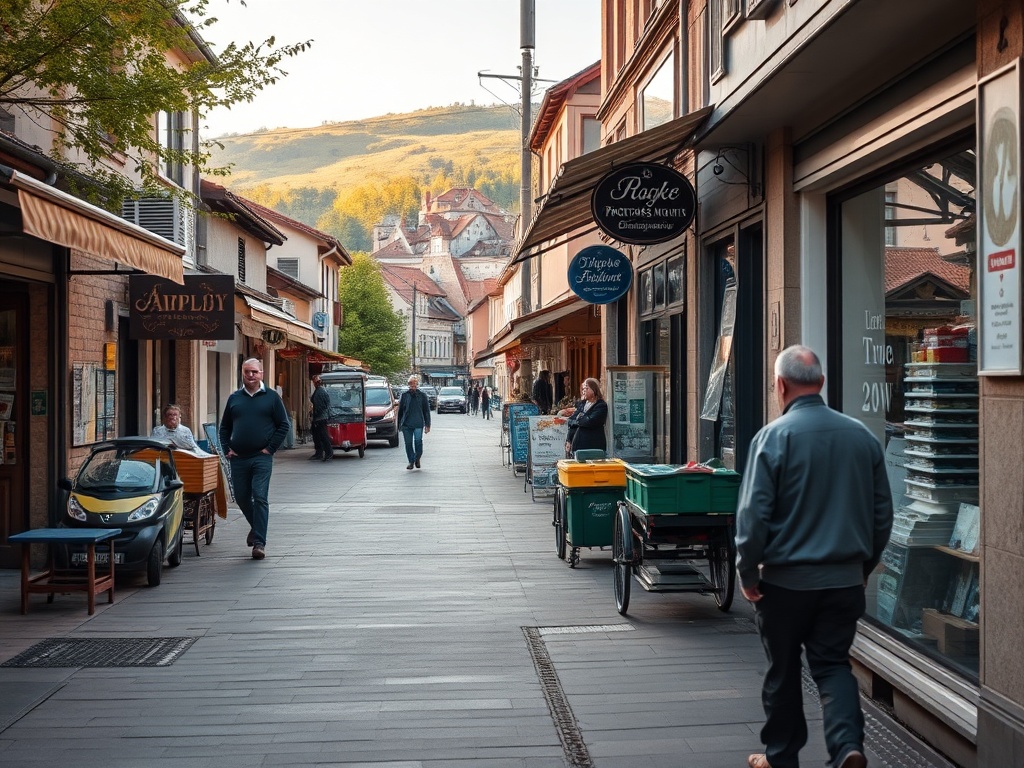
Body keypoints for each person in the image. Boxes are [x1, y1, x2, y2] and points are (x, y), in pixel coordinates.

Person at [735, 345, 893, 768]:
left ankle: (781, 757)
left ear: (779, 385)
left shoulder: (772, 438)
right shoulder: (862, 436)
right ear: (821, 383)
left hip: (786, 584)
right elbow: (882, 516)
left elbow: (753, 516)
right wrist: (863, 568)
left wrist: (747, 572)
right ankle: (847, 747)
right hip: (843, 582)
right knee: (833, 666)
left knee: (783, 671)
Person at [219, 358, 290, 560]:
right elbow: (224, 427)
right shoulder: (234, 398)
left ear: (262, 373)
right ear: (242, 373)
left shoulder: (272, 397)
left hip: (261, 458)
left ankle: (259, 543)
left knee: (259, 496)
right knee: (241, 497)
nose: (251, 375)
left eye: (254, 372)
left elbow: (283, 425)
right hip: (238, 458)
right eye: (247, 372)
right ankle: (256, 527)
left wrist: (270, 448)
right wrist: (227, 449)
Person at [564, 377, 608, 457]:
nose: (584, 391)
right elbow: (570, 420)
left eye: (586, 388)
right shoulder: (582, 404)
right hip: (577, 447)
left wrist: (578, 419)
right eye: (583, 388)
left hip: (592, 447)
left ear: (594, 390)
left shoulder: (601, 406)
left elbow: (589, 422)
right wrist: (568, 440)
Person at [397, 375, 431, 470]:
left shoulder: (422, 396)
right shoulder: (404, 395)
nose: (413, 387)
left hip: (418, 423)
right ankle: (411, 461)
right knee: (408, 444)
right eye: (411, 385)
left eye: (415, 385)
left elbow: (426, 411)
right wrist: (399, 424)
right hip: (406, 424)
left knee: (418, 442)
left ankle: (417, 458)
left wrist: (427, 425)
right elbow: (400, 411)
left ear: (417, 384)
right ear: (408, 385)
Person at [308, 374, 333, 462]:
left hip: (320, 418)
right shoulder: (320, 391)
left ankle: (328, 452)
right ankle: (319, 452)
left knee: (323, 436)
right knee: (317, 436)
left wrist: (315, 415)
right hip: (320, 417)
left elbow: (320, 406)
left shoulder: (320, 392)